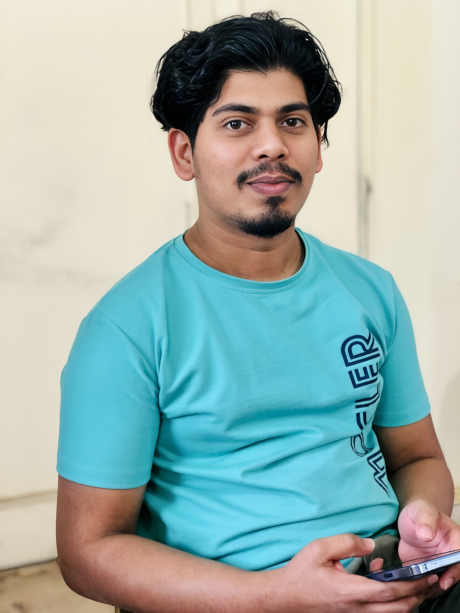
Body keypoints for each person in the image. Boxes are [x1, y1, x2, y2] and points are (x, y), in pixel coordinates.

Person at [56, 11, 460, 613]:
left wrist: (423, 520)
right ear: (184, 153)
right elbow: (87, 551)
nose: (272, 145)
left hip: (392, 583)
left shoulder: (371, 291)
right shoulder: (126, 328)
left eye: (293, 121)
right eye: (238, 123)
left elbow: (418, 457)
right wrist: (275, 596)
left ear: (318, 149)